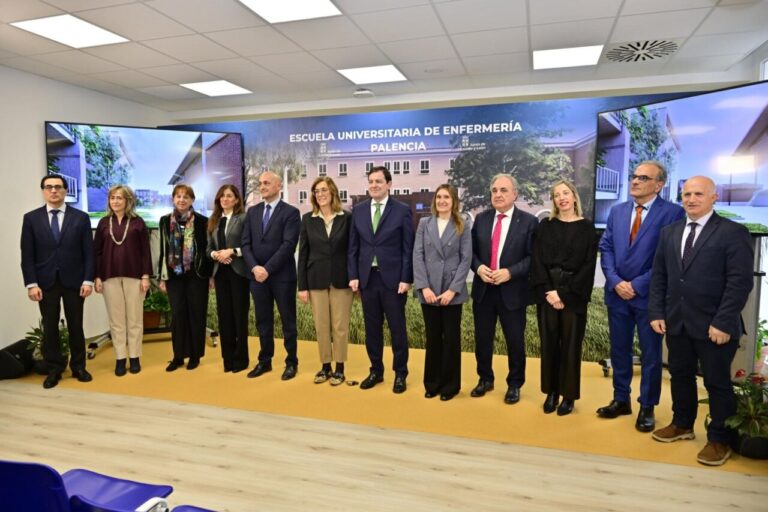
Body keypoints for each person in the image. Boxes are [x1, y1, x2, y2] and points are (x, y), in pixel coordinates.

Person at [648, 176, 753, 467]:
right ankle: (682, 424)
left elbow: (739, 283)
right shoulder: (669, 232)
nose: (691, 199)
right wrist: (656, 312)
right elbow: (660, 277)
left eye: (698, 194)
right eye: (686, 194)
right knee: (679, 376)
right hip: (677, 322)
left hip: (715, 327)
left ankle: (719, 439)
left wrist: (723, 322)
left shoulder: (733, 232)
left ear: (713, 198)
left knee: (717, 383)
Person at [597, 161, 684, 432]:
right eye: (634, 176)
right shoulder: (617, 211)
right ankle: (620, 399)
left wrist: (637, 284)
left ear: (659, 184)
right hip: (617, 295)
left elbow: (669, 258)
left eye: (643, 178)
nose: (634, 181)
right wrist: (615, 281)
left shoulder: (673, 213)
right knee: (619, 350)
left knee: (651, 355)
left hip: (649, 297)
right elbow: (607, 247)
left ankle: (647, 406)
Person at [529, 180, 597, 415]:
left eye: (565, 193)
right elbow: (536, 260)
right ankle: (551, 392)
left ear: (574, 196)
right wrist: (550, 291)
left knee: (570, 346)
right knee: (549, 344)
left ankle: (569, 395)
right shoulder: (545, 226)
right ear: (554, 201)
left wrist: (564, 294)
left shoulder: (587, 228)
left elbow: (588, 266)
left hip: (573, 294)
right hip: (547, 293)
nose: (562, 198)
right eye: (556, 195)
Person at [21, 174, 95, 389]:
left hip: (75, 282)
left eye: (58, 187)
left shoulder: (80, 218)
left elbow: (88, 253)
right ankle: (54, 369)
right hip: (45, 283)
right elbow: (27, 255)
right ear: (43, 190)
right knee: (50, 328)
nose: (53, 191)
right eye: (49, 187)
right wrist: (31, 284)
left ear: (65, 191)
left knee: (76, 326)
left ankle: (79, 367)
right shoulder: (31, 219)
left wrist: (88, 280)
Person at [470, 173, 537, 404]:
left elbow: (532, 258)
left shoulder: (529, 222)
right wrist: (478, 269)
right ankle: (485, 379)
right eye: (494, 191)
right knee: (482, 339)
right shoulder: (481, 219)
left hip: (513, 292)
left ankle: (515, 384)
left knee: (515, 341)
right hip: (484, 291)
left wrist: (510, 272)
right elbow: (471, 254)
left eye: (503, 190)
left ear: (515, 194)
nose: (498, 195)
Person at [348, 166, 414, 393]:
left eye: (378, 181)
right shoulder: (358, 210)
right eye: (371, 181)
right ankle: (376, 370)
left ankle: (400, 373)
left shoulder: (402, 210)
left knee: (397, 329)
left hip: (394, 281)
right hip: (368, 279)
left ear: (389, 184)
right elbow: (353, 247)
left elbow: (408, 247)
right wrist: (354, 275)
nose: (374, 185)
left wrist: (406, 278)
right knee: (372, 329)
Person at [412, 184, 472, 401]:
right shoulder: (424, 223)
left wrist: (452, 291)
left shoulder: (462, 224)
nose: (442, 201)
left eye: (446, 197)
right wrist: (424, 287)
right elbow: (417, 255)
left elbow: (466, 259)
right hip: (428, 291)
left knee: (451, 340)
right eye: (439, 197)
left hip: (451, 292)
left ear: (454, 201)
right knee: (433, 338)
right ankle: (432, 383)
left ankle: (450, 386)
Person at [242, 171, 301, 380]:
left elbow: (288, 246)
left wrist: (267, 269)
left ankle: (291, 362)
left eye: (267, 183)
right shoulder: (252, 212)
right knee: (263, 321)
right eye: (260, 183)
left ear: (278, 186)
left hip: (281, 277)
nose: (262, 186)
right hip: (257, 278)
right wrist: (255, 268)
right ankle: (264, 361)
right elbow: (245, 244)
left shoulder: (291, 213)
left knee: (288, 322)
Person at [297, 177, 353, 385]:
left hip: (341, 279)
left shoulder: (346, 218)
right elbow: (302, 254)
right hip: (315, 279)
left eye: (323, 190)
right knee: (321, 326)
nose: (319, 194)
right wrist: (302, 286)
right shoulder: (307, 219)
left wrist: (355, 278)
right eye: (316, 191)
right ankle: (325, 366)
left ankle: (339, 368)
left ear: (332, 193)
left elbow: (351, 251)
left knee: (339, 326)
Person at [93, 185, 152, 376]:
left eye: (119, 198)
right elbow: (97, 252)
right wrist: (97, 276)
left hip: (135, 276)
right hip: (109, 276)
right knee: (116, 321)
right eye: (112, 198)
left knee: (135, 320)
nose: (116, 201)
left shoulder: (138, 222)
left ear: (127, 201)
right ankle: (120, 358)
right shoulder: (103, 223)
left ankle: (134, 357)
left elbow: (145, 252)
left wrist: (145, 276)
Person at [157, 184, 213, 372]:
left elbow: (207, 251)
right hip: (174, 275)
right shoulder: (165, 221)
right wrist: (162, 276)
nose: (182, 200)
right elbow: (163, 251)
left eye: (186, 197)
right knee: (178, 315)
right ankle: (178, 356)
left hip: (197, 275)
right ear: (173, 199)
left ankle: (195, 355)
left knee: (196, 314)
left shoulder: (202, 221)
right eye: (178, 196)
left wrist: (210, 275)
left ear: (192, 201)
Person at [207, 185, 250, 373]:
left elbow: (249, 245)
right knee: (224, 318)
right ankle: (228, 359)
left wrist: (232, 251)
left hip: (238, 272)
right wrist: (216, 254)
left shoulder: (243, 218)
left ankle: (241, 359)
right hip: (220, 274)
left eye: (229, 196)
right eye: (222, 196)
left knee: (239, 316)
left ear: (236, 200)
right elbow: (208, 249)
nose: (225, 199)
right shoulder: (214, 221)